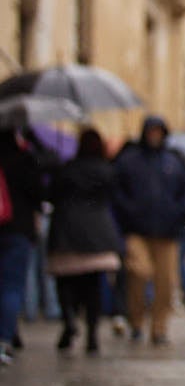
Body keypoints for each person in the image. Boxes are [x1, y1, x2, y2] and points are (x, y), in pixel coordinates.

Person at [111, 115, 185, 346]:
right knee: (139, 272)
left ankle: (159, 328)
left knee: (165, 282)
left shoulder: (174, 162)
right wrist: (129, 212)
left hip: (167, 233)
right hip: (137, 230)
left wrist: (179, 214)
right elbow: (117, 191)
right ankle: (136, 321)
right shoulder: (130, 161)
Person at [46, 127, 123, 355]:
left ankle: (69, 319)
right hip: (96, 232)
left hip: (67, 231)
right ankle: (92, 334)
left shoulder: (67, 169)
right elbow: (115, 196)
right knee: (92, 286)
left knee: (65, 282)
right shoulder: (106, 171)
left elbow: (51, 195)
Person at [0, 129, 48, 365]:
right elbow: (39, 192)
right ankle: (4, 340)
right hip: (18, 229)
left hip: (14, 229)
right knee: (12, 286)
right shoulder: (24, 160)